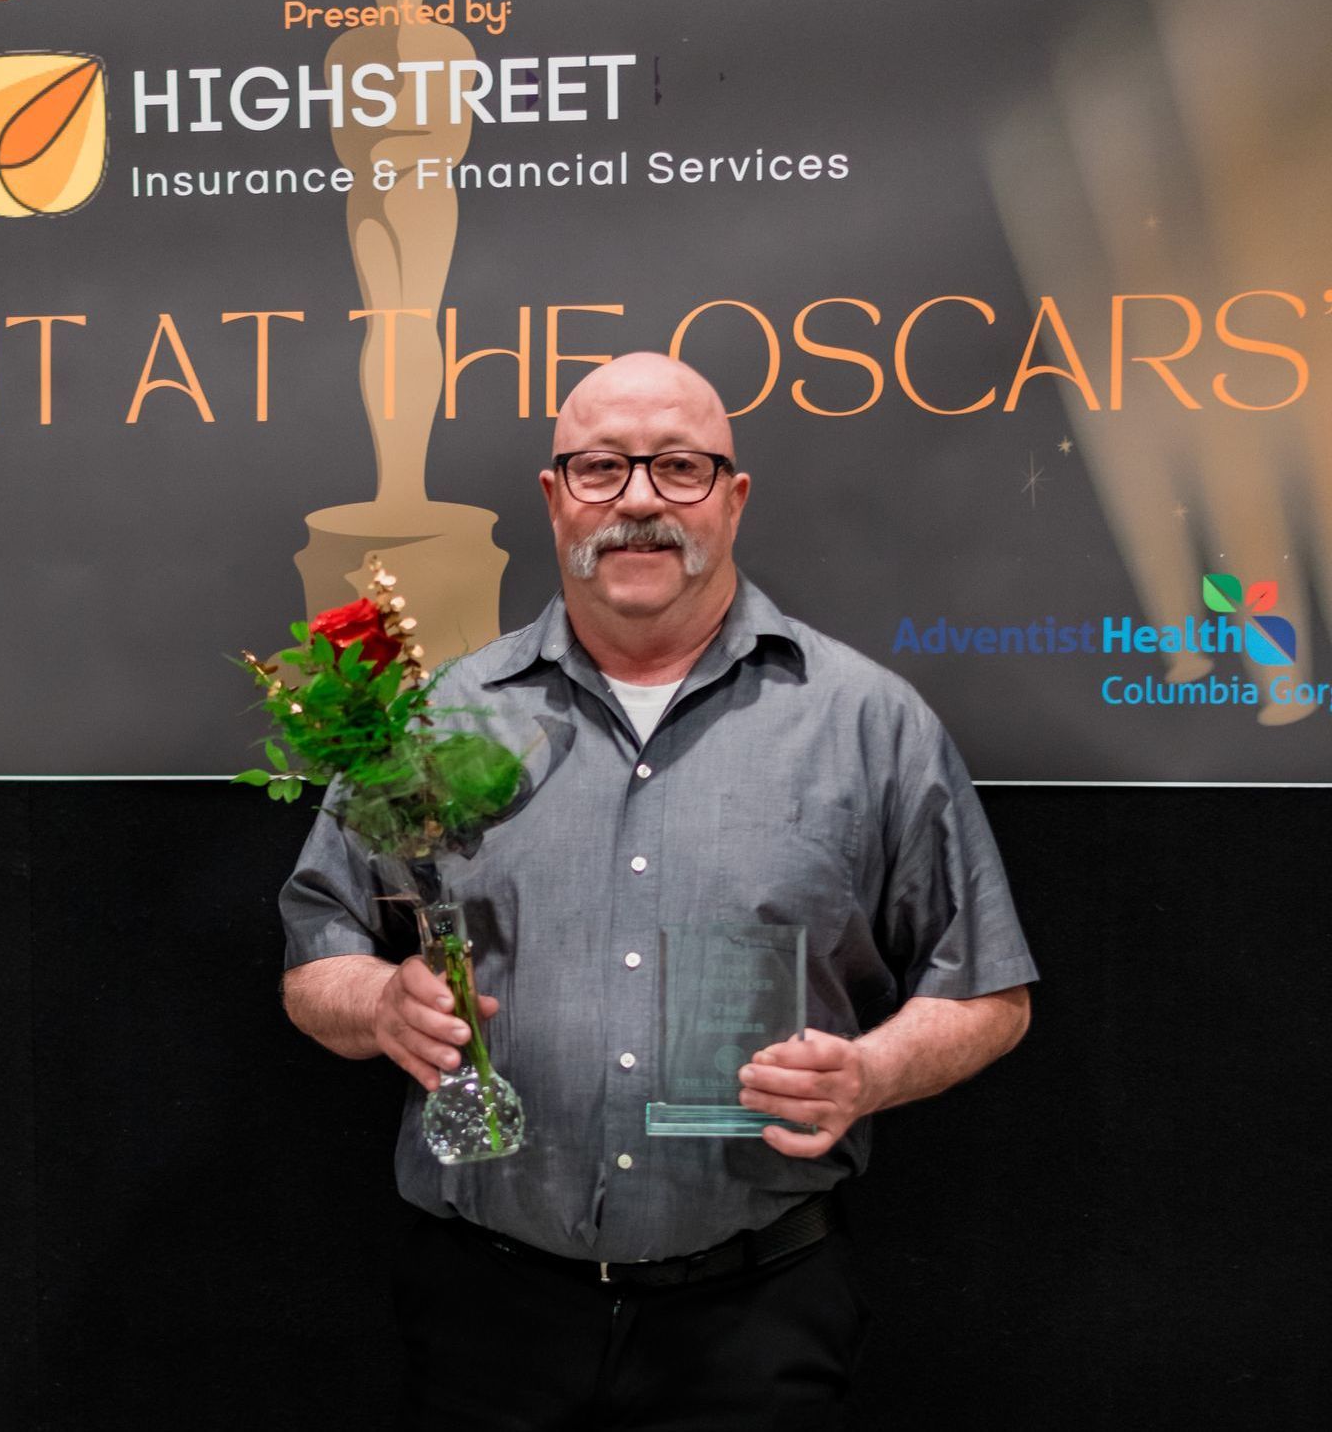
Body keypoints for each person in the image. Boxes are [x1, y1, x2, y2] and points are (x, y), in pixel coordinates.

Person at [278, 352, 1037, 1430]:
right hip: (487, 1317)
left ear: (734, 496)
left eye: (679, 466)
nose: (638, 499)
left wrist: (868, 1073)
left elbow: (988, 990)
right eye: (601, 467)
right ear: (555, 497)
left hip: (757, 1319)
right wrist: (377, 1004)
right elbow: (318, 949)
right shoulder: (441, 716)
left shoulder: (867, 722)